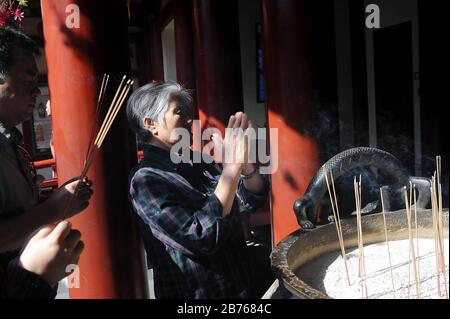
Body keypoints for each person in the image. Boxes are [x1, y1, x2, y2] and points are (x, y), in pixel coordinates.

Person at [127, 82, 269, 299]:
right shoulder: (145, 180)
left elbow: (251, 199)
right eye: (178, 112)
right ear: (151, 124)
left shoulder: (198, 160)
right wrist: (232, 166)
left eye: (187, 112)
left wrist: (246, 162)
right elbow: (201, 236)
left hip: (242, 285)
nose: (187, 119)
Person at [0, 26, 92, 297]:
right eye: (29, 81)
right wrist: (51, 209)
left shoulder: (10, 141)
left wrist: (56, 200)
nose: (37, 92)